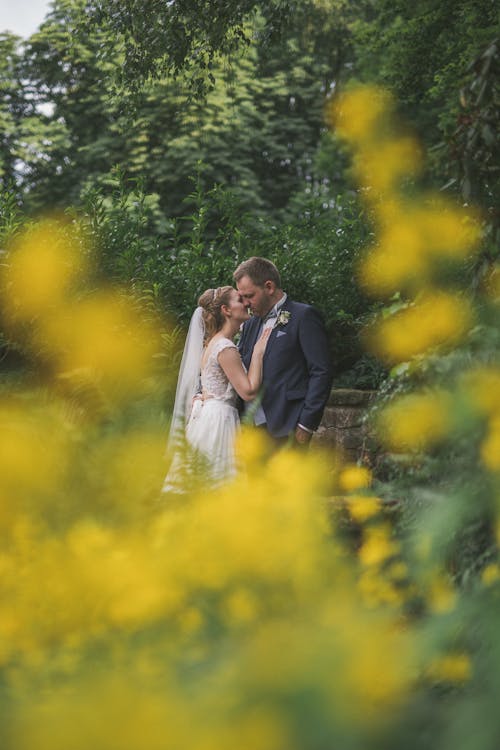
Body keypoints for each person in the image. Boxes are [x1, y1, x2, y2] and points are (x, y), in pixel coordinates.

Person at [162, 286, 271, 491]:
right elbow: (248, 391)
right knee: (219, 486)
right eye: (240, 300)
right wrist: (258, 354)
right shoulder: (224, 347)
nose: (246, 303)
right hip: (219, 420)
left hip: (209, 416)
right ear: (226, 310)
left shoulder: (213, 343)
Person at [234, 257, 333, 446]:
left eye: (249, 296)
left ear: (269, 287)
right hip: (249, 432)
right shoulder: (249, 324)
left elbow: (321, 371)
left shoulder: (304, 316)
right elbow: (238, 364)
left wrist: (306, 424)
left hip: (287, 427)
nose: (245, 303)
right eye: (242, 297)